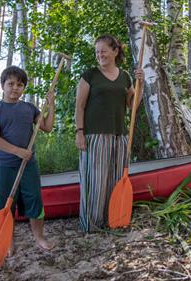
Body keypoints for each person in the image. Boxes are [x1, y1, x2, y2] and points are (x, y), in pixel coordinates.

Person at [75, 35, 144, 233]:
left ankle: (113, 219)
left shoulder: (125, 77)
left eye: (103, 51)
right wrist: (79, 132)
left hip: (119, 135)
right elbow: (79, 106)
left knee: (114, 178)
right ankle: (92, 224)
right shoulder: (90, 75)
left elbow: (132, 106)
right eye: (97, 52)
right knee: (95, 180)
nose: (100, 55)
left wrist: (141, 85)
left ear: (115, 51)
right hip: (94, 135)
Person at [0, 65, 55, 250]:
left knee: (34, 200)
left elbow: (47, 127)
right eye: (11, 83)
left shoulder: (29, 108)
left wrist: (51, 104)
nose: (15, 87)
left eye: (20, 84)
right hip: (4, 166)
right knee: (2, 204)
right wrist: (17, 151)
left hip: (28, 165)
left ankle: (39, 238)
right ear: (2, 86)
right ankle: (8, 242)